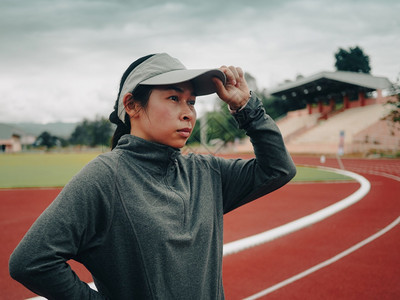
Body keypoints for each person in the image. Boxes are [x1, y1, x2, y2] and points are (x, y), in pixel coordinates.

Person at [9, 53, 296, 299]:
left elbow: (277, 169)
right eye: (174, 98)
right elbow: (31, 262)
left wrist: (247, 109)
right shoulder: (104, 177)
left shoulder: (207, 172)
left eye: (191, 102)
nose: (188, 113)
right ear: (132, 105)